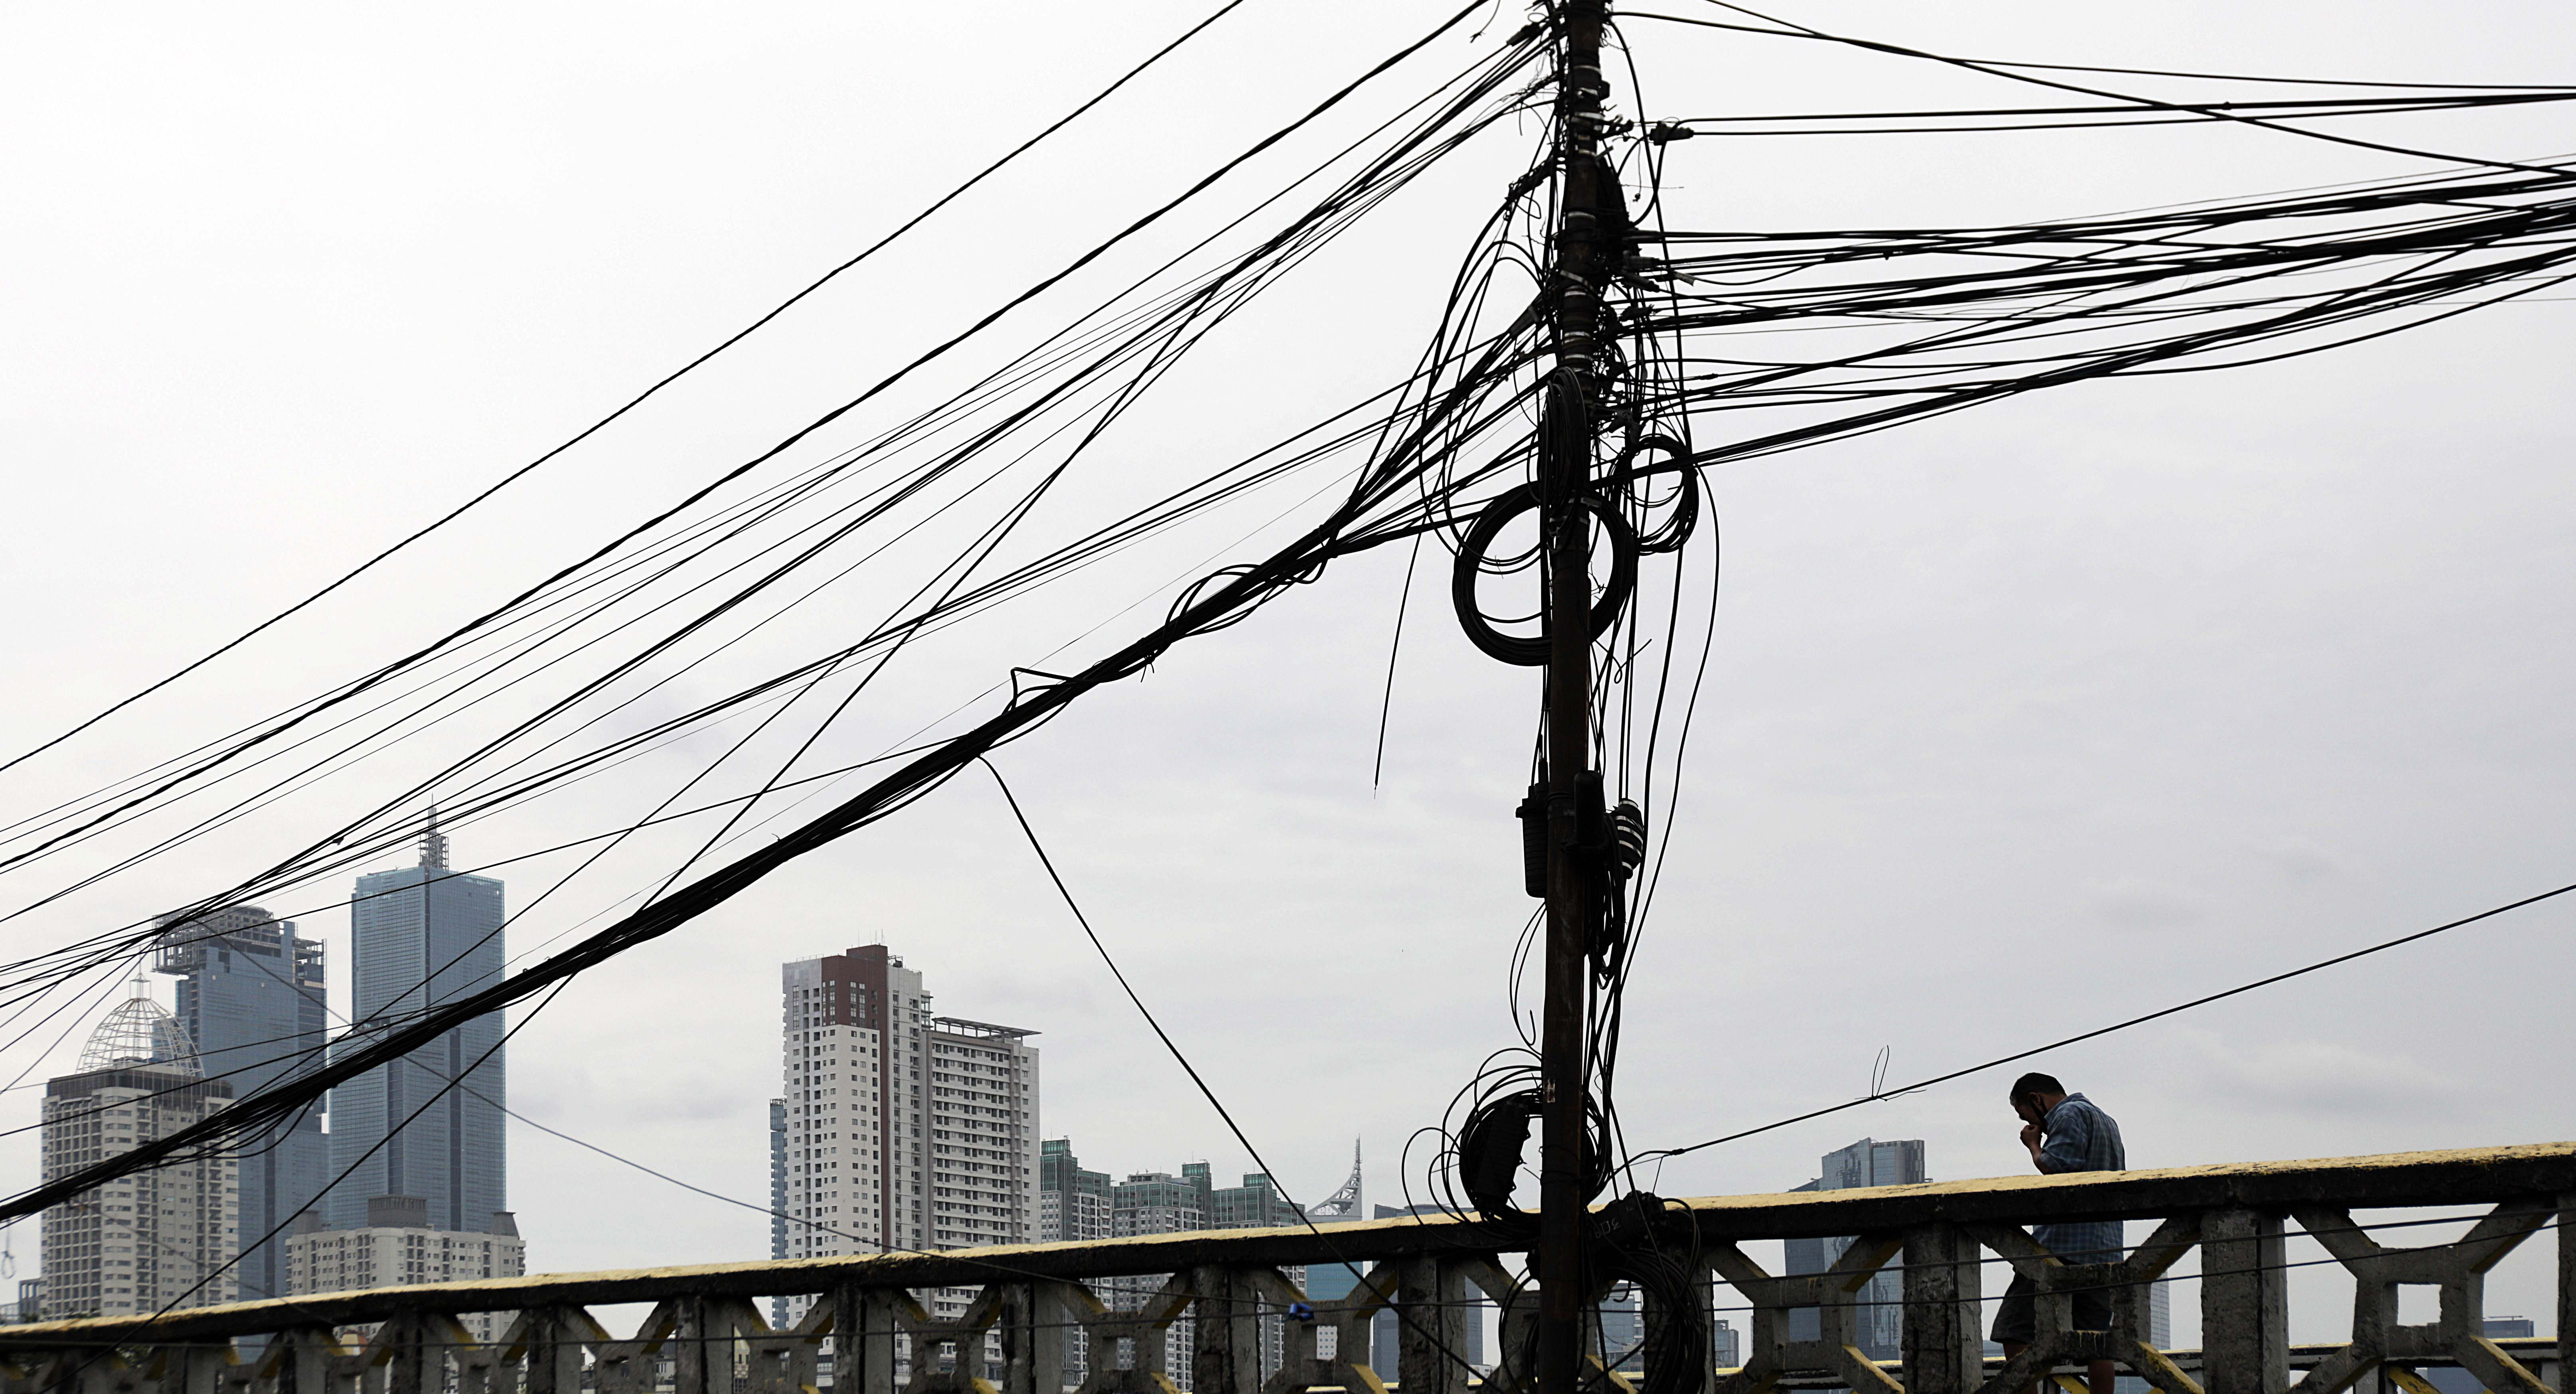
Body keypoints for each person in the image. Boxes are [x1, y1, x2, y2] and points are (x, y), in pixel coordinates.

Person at [1992, 1072, 2126, 1394]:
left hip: (2061, 1246)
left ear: (2037, 1099)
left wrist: (2034, 1146)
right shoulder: (2106, 1121)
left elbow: (2057, 1166)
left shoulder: (2067, 1114)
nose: (2025, 1121)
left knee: (2014, 1328)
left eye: (2023, 1112)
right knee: (2096, 1342)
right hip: (2103, 1248)